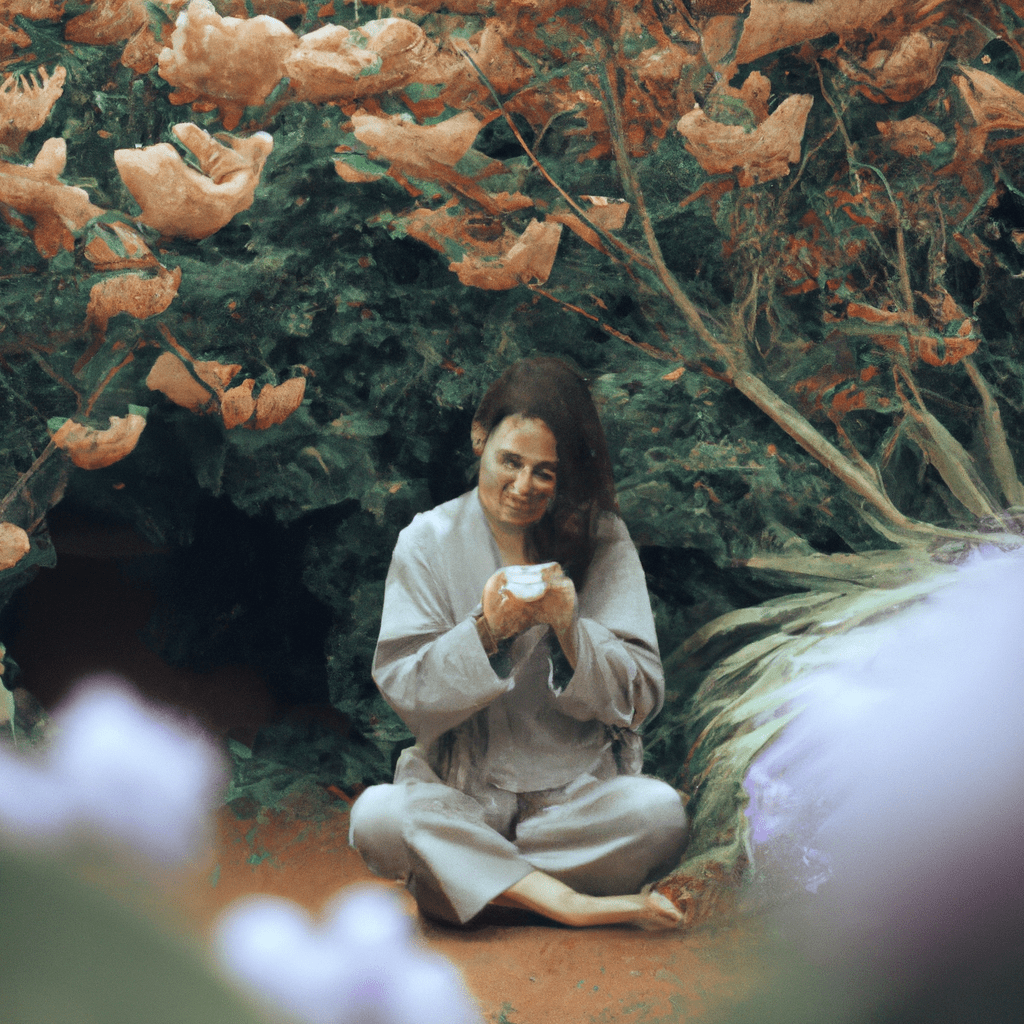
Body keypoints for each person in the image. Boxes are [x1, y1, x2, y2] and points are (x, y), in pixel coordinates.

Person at [349, 358, 687, 928]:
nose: (522, 487)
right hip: (464, 798)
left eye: (545, 473)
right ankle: (567, 901)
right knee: (377, 816)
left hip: (575, 803)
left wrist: (570, 630)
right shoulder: (426, 540)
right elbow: (406, 694)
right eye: (510, 461)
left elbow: (642, 696)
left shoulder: (602, 538)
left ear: (568, 475)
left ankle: (467, 881)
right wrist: (487, 632)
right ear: (481, 438)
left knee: (659, 816)